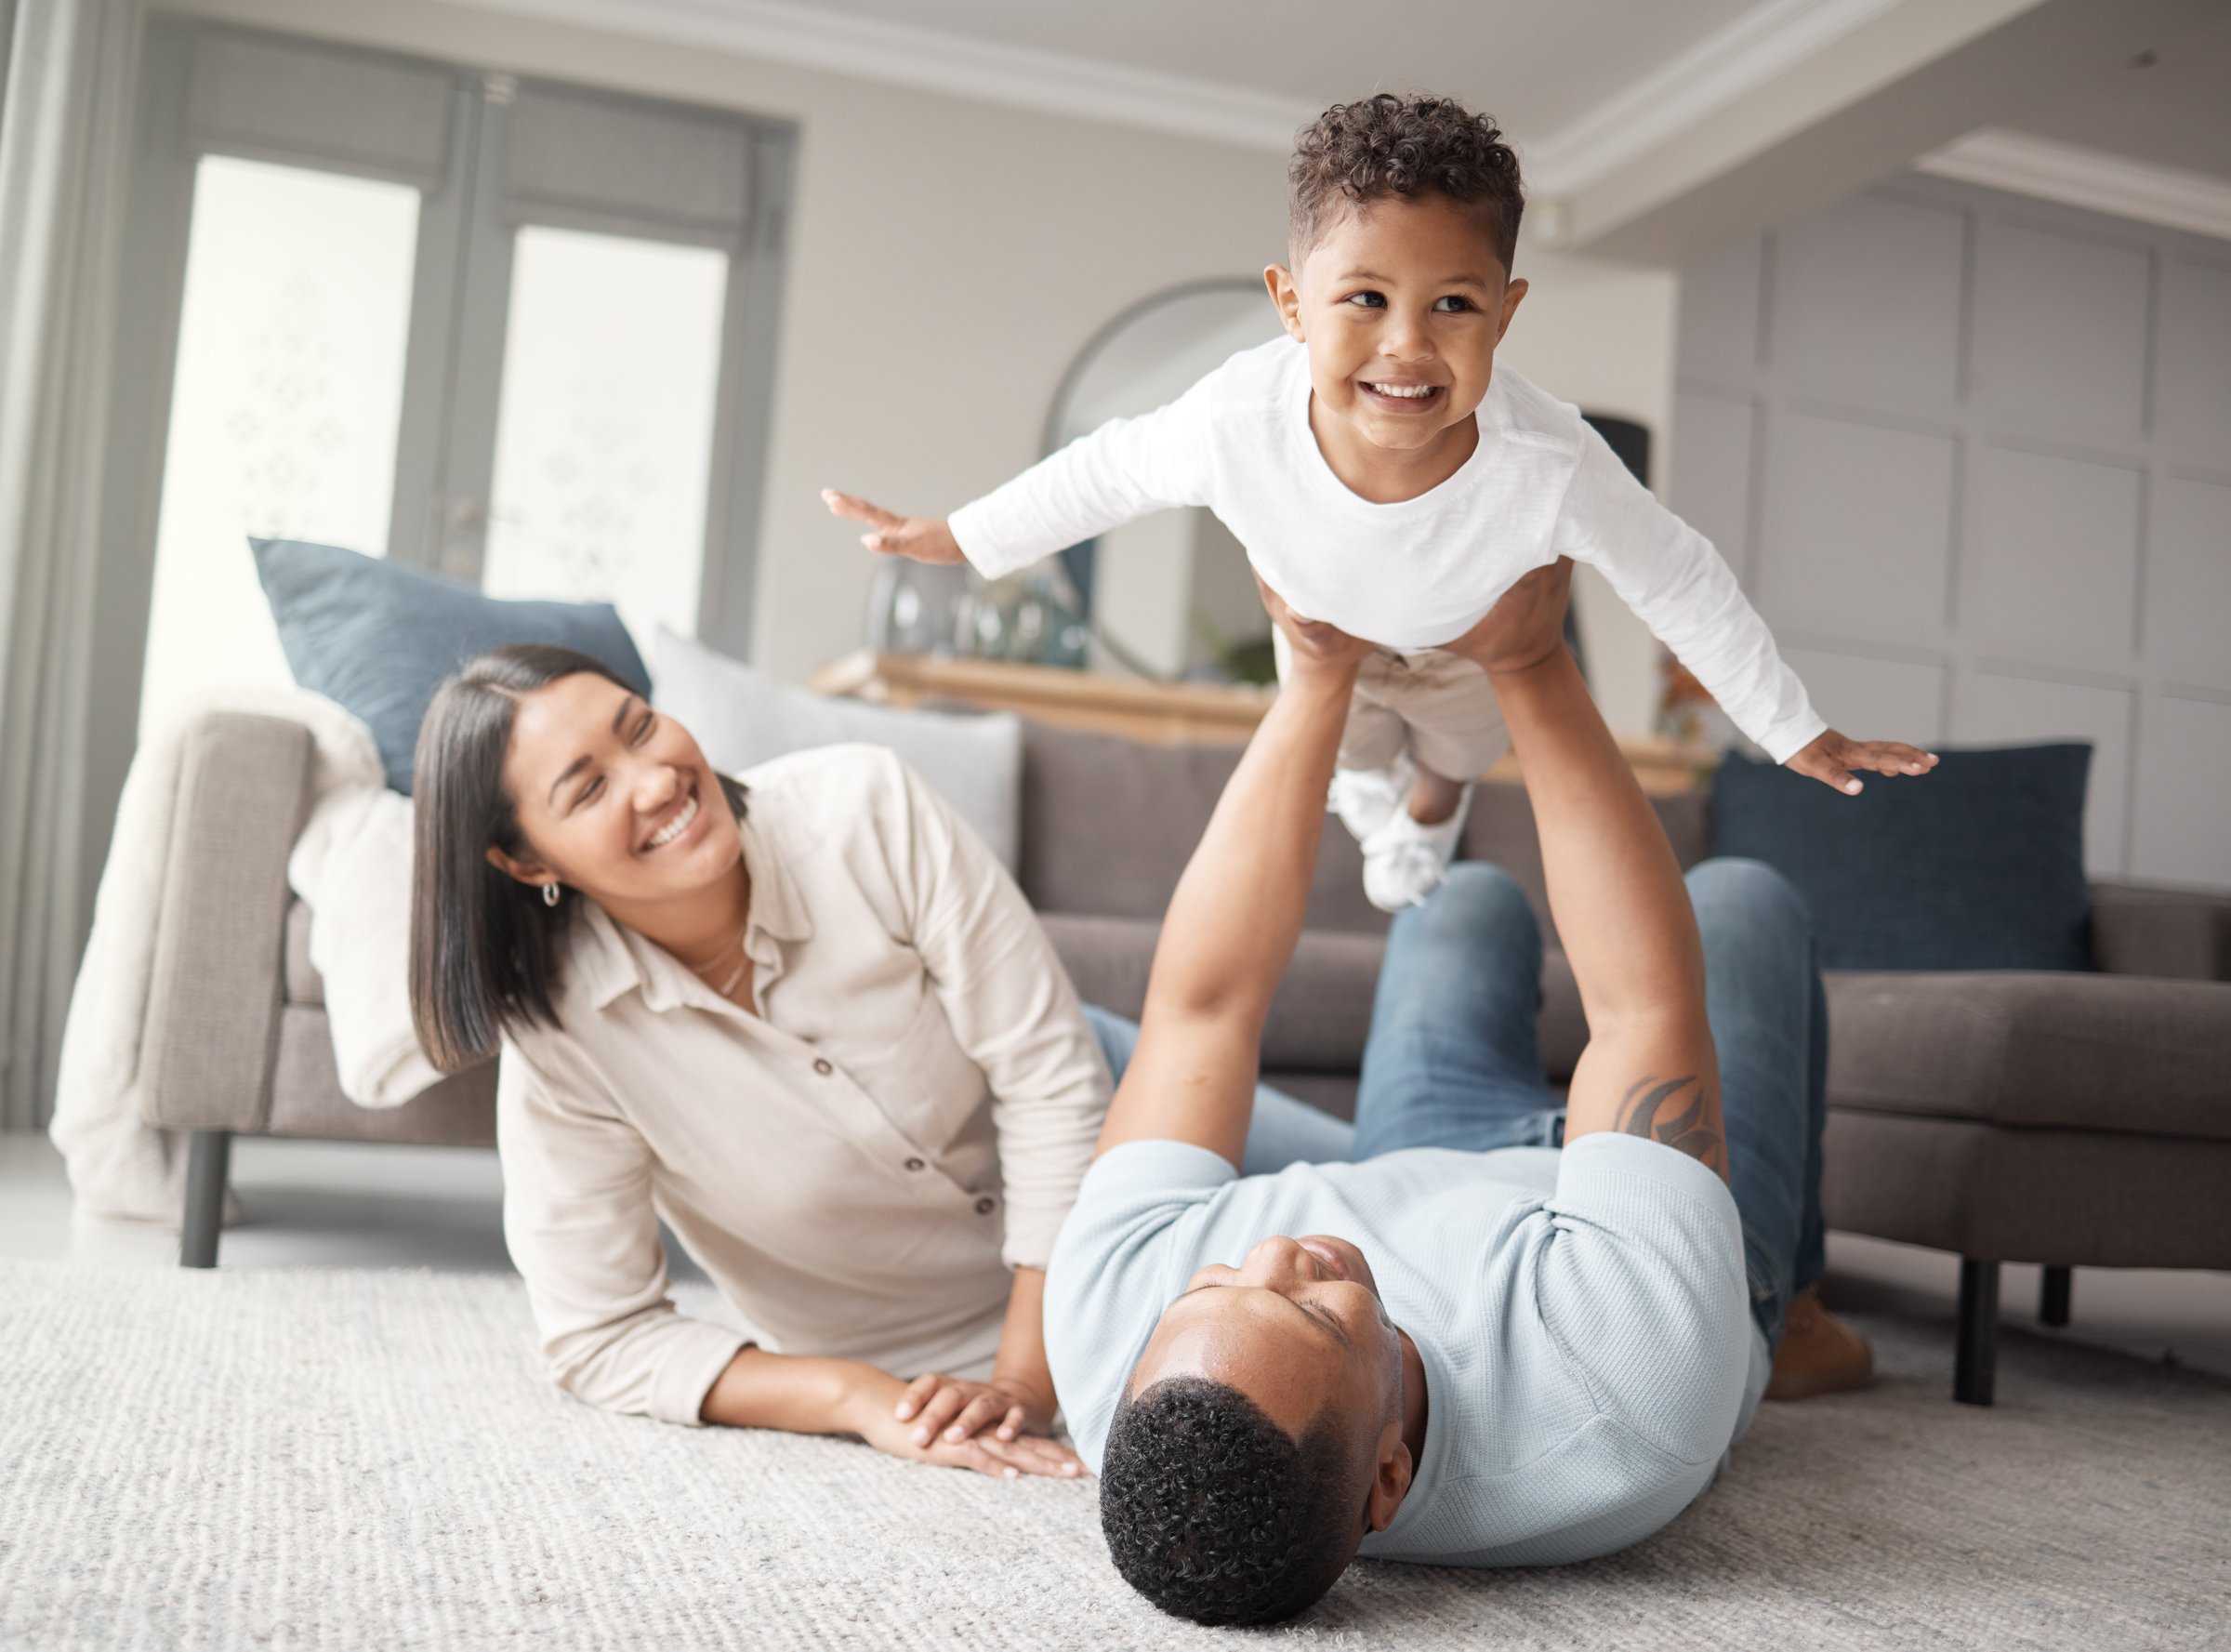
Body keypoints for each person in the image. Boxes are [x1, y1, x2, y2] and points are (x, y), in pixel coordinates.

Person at [824, 92, 1934, 914]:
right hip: (1323, 635)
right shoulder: (1235, 420)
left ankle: (1429, 816)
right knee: (1350, 755)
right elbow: (1105, 471)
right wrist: (962, 536)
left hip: (1462, 652)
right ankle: (1374, 810)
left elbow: (1676, 575)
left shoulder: (1548, 460)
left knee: (1454, 755)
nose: (1407, 344)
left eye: (1454, 305)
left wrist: (1790, 726)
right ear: (1291, 305)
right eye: (1364, 298)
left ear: (1506, 313)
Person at [1041, 561, 1888, 1626]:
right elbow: (1640, 1009)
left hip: (1428, 1158)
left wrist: (1316, 672)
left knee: (1463, 899)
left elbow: (1201, 1012)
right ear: (1388, 1476)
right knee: (1741, 899)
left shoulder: (1111, 1340)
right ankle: (1795, 1300)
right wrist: (1530, 660)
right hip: (1652, 1257)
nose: (1276, 1254)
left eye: (1215, 1284)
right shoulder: (1624, 1384)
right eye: (1314, 1311)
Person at [405, 645, 1349, 1482]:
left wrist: (1026, 1379)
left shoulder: (862, 805)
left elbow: (1051, 1082)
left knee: (1406, 1186)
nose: (654, 780)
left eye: (640, 726)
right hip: (987, 1310)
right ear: (526, 863)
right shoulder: (565, 1040)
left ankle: (1433, 883)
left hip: (1113, 1110)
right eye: (588, 789)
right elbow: (601, 1334)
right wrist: (856, 1396)